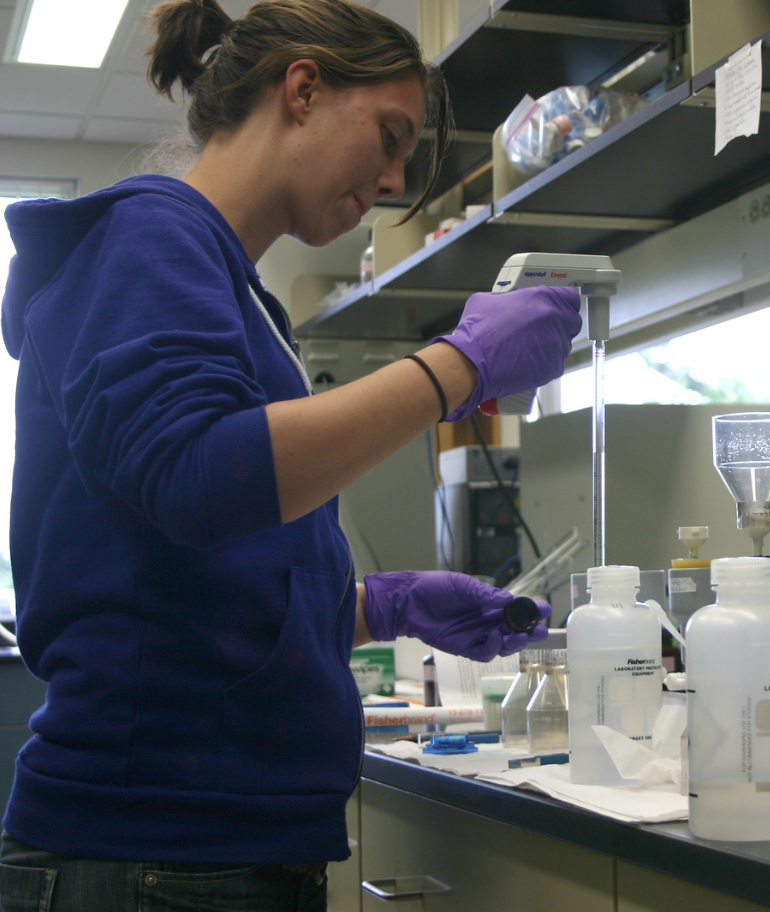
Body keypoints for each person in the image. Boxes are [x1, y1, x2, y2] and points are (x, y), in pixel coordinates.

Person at [0, 1, 581, 909]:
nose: (393, 180)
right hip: (155, 845)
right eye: (389, 137)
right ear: (303, 89)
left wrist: (383, 606)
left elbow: (194, 583)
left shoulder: (235, 293)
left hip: (210, 844)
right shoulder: (150, 237)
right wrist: (457, 366)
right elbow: (196, 477)